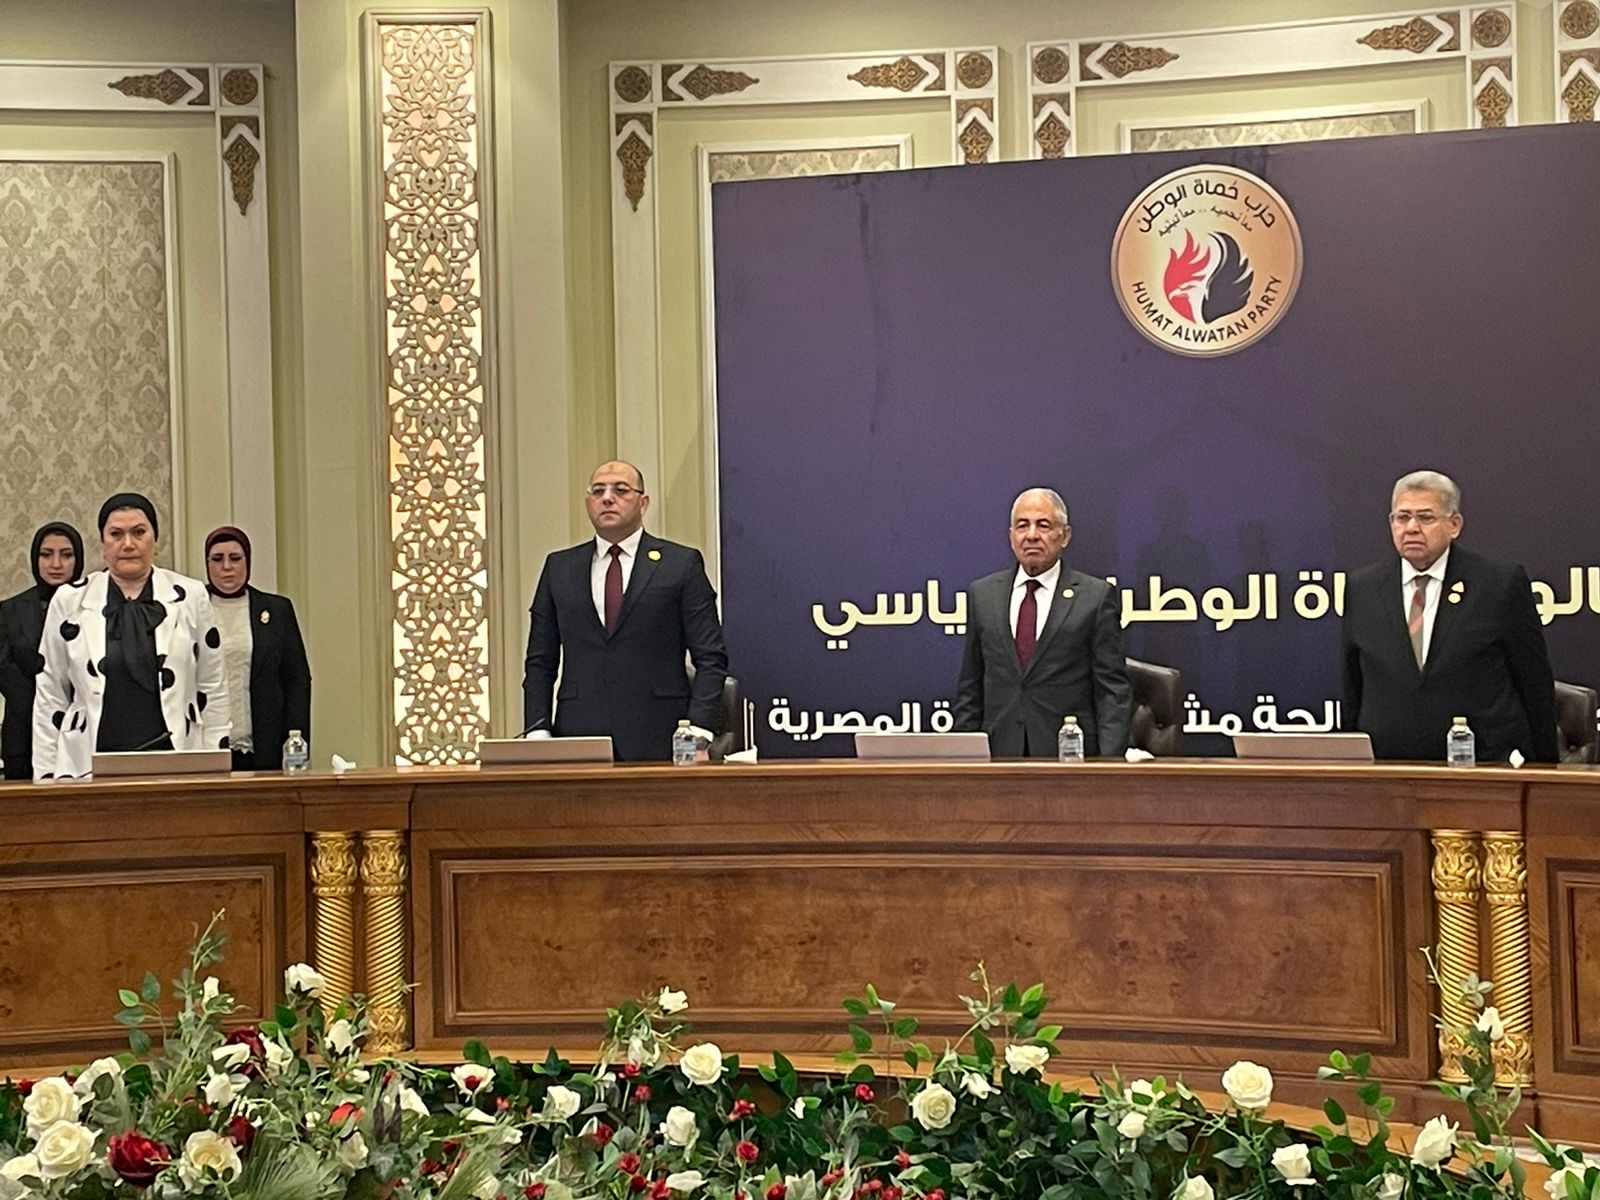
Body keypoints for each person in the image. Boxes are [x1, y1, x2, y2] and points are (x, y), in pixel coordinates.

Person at [1341, 469, 1556, 763]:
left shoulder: (1498, 583)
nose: (1411, 528)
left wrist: (1546, 770)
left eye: (1425, 517)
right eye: (1402, 517)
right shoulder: (1363, 588)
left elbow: (1534, 682)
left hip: (1483, 763)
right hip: (1389, 765)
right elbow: (1353, 685)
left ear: (1454, 525)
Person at [522, 460, 728, 762]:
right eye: (598, 491)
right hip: (579, 732)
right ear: (587, 502)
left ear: (643, 503)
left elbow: (710, 657)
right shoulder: (560, 568)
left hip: (660, 733)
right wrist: (538, 731)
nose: (607, 498)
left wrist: (699, 732)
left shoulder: (680, 564)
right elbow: (540, 660)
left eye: (620, 490)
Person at [32, 493, 229, 779]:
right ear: (103, 542)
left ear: (155, 539)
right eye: (116, 534)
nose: (128, 544)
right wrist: (47, 776)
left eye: (138, 532)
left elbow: (213, 687)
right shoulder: (69, 600)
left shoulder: (191, 596)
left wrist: (214, 769)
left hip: (176, 761)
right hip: (88, 764)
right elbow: (50, 693)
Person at [954, 487, 1131, 757]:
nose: (1032, 535)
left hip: (1069, 757)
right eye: (1022, 525)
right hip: (999, 755)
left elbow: (1112, 691)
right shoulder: (983, 595)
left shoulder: (1095, 597)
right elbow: (970, 687)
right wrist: (963, 762)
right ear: (1011, 536)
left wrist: (1109, 766)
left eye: (1043, 525)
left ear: (1065, 535)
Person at [204, 525, 312, 771]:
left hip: (264, 746)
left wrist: (297, 747)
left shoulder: (277, 611)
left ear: (248, 561)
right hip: (206, 746)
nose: (227, 567)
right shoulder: (191, 608)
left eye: (235, 558)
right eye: (217, 559)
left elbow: (296, 681)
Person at [0, 522, 85, 780]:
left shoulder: (92, 606)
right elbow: (4, 672)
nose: (55, 564)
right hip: (23, 734)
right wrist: (43, 699)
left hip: (83, 732)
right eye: (46, 555)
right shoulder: (10, 611)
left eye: (66, 555)